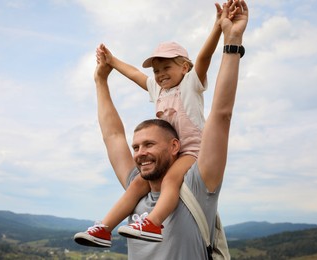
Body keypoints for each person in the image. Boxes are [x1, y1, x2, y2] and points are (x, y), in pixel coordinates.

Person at [76, 0, 248, 258]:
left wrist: (222, 32)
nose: (140, 152)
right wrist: (106, 69)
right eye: (136, 147)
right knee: (136, 186)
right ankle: (104, 229)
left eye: (149, 144)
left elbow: (218, 104)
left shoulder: (195, 183)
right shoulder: (158, 90)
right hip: (177, 158)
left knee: (170, 179)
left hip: (193, 151)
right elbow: (112, 133)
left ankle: (154, 223)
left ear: (184, 67)